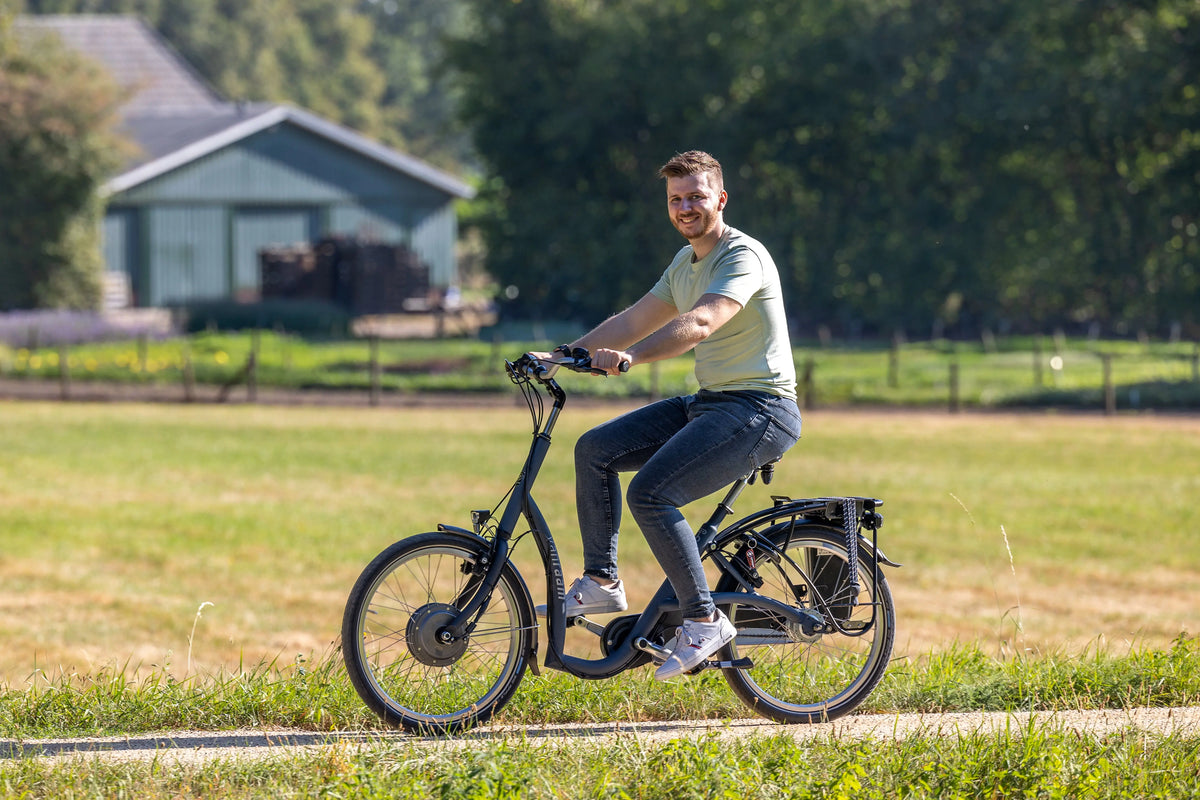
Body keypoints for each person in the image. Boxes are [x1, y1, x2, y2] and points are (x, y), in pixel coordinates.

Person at [536, 150, 801, 680]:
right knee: (594, 450)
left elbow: (702, 322)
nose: (685, 207)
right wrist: (561, 357)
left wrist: (632, 359)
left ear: (720, 199)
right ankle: (603, 581)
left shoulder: (741, 256)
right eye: (676, 199)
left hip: (761, 409)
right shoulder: (685, 263)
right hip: (712, 404)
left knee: (652, 493)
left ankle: (703, 621)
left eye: (696, 197)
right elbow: (634, 318)